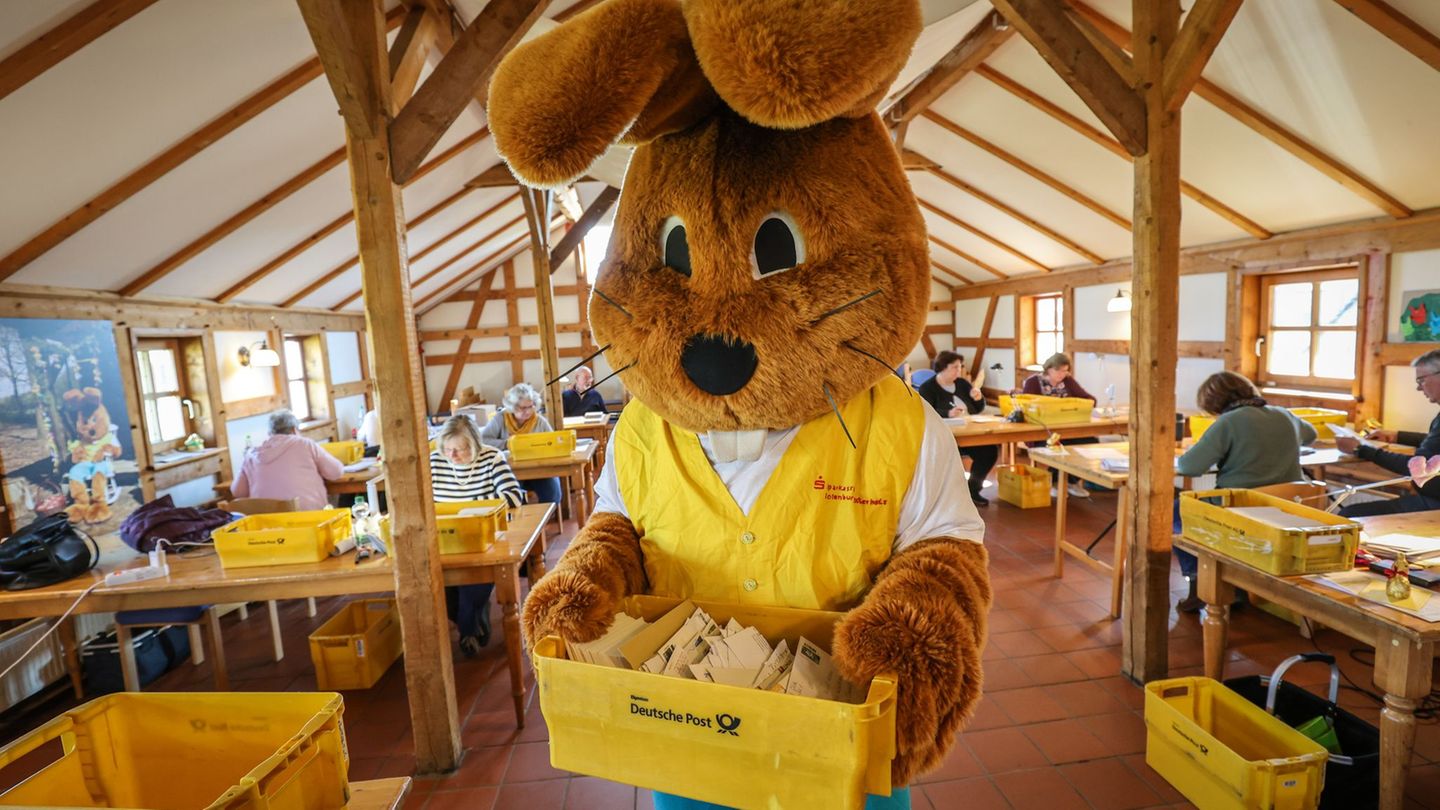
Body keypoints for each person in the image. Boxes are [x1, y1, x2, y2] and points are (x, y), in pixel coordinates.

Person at [1172, 371, 1317, 612]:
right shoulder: (1283, 414)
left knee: (1176, 513)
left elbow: (1190, 466)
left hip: (1241, 506)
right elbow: (1311, 436)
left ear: (1213, 402)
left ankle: (1199, 579)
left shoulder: (1228, 422)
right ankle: (1235, 584)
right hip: (1288, 506)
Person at [430, 415, 525, 655]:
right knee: (441, 591)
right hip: (444, 540)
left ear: (475, 445)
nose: (452, 456)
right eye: (448, 449)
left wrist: (473, 509)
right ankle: (471, 621)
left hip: (480, 539)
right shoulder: (434, 461)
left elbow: (514, 496)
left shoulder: (492, 458)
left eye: (460, 450)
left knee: (475, 582)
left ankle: (468, 632)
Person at [1336, 348, 1440, 516]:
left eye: (1421, 380)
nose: (1418, 388)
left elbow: (1417, 466)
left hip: (1434, 505)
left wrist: (1360, 450)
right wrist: (1396, 436)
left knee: (1349, 515)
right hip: (1431, 498)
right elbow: (1435, 443)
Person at [917, 351, 997, 506]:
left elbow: (977, 409)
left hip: (969, 431)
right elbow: (925, 412)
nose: (958, 371)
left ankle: (973, 489)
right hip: (943, 437)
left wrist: (978, 398)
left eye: (960, 367)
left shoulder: (962, 384)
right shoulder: (928, 388)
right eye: (955, 367)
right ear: (943, 367)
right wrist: (948, 413)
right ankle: (941, 497)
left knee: (990, 451)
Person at [231, 409, 343, 510]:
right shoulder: (304, 444)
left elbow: (238, 492)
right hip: (310, 519)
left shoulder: (251, 455)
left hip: (267, 525)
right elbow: (336, 472)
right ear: (294, 430)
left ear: (270, 434)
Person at [1021, 352, 1096, 499]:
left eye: (1065, 370)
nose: (1063, 374)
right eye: (1059, 370)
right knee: (1059, 445)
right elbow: (1026, 408)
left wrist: (1080, 405)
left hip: (1068, 429)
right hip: (1041, 432)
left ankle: (1072, 481)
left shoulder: (1068, 381)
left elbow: (1089, 398)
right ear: (1049, 369)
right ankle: (1055, 482)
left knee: (1090, 442)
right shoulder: (1033, 382)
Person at [481, 383, 563, 506]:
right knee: (512, 494)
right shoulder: (501, 418)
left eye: (531, 406)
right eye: (523, 408)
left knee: (553, 493)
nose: (528, 411)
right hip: (511, 469)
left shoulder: (539, 421)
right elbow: (483, 441)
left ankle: (547, 518)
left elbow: (552, 442)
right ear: (512, 406)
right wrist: (507, 443)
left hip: (539, 469)